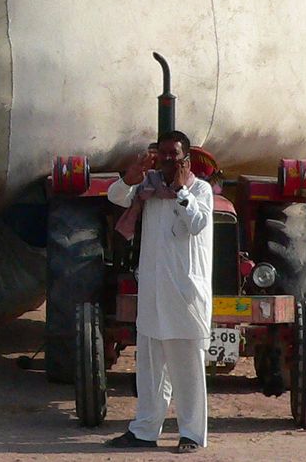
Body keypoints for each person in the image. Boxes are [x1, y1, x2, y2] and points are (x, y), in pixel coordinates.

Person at [105, 130, 214, 454]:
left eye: (174, 155)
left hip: (185, 294)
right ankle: (144, 430)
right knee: (150, 369)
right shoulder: (148, 188)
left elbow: (197, 223)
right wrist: (131, 178)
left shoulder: (200, 190)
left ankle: (192, 434)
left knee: (187, 371)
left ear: (186, 160)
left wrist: (181, 191)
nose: (167, 160)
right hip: (153, 292)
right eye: (162, 154)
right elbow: (115, 196)